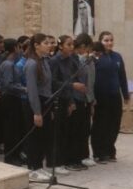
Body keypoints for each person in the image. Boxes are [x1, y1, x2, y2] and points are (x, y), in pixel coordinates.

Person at [50, 35, 86, 172]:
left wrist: (71, 101)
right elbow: (53, 83)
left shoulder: (71, 60)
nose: (72, 47)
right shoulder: (54, 61)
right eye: (69, 45)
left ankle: (66, 160)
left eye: (72, 45)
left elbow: (71, 78)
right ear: (60, 46)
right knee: (57, 133)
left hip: (67, 99)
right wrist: (73, 86)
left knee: (67, 131)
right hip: (56, 100)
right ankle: (56, 163)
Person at [92, 31, 129, 162]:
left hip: (115, 96)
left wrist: (125, 94)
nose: (109, 43)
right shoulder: (96, 57)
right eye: (106, 40)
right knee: (101, 124)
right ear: (100, 42)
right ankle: (98, 152)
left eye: (111, 40)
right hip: (101, 96)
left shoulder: (117, 57)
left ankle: (109, 150)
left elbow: (122, 77)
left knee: (114, 124)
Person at [24, 34, 53, 182]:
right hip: (36, 103)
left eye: (50, 43)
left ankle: (39, 166)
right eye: (46, 43)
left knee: (43, 136)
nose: (49, 45)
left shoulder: (45, 61)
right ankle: (32, 168)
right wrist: (37, 112)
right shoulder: (32, 63)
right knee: (34, 137)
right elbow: (32, 89)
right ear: (36, 45)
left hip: (46, 101)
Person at [0, 39, 26, 165]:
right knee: (11, 129)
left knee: (17, 128)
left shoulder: (12, 63)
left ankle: (16, 154)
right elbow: (8, 85)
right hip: (9, 98)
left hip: (15, 97)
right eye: (19, 47)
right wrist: (24, 89)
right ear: (15, 48)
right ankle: (10, 156)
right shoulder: (8, 64)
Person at [74, 33, 97, 167]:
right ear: (83, 46)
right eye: (88, 48)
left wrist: (92, 99)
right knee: (77, 130)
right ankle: (76, 156)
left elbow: (91, 81)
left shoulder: (89, 61)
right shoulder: (77, 60)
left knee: (85, 129)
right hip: (77, 98)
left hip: (87, 98)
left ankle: (84, 155)